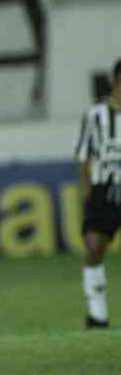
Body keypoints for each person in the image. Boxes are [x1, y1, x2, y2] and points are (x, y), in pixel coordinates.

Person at [75, 58, 121, 329]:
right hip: (104, 189)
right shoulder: (96, 115)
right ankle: (97, 314)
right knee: (94, 246)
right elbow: (84, 156)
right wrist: (88, 191)